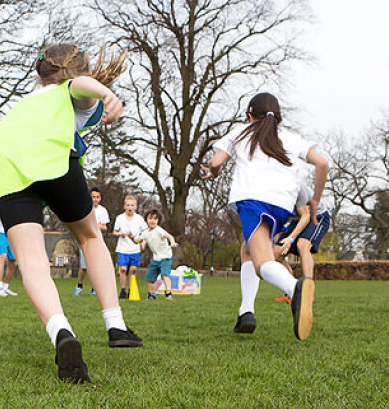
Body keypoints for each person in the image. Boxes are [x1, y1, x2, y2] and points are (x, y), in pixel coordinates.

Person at [0, 43, 143, 384]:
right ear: (78, 71)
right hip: (54, 163)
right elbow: (77, 87)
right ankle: (115, 324)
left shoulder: (24, 103)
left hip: (9, 171)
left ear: (40, 72)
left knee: (31, 261)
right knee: (89, 236)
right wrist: (106, 92)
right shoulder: (67, 92)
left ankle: (61, 333)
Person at [201, 92, 328, 341]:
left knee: (261, 263)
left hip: (253, 201)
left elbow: (216, 162)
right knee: (247, 249)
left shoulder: (242, 132)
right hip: (282, 205)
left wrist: (213, 172)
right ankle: (246, 312)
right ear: (277, 118)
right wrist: (315, 198)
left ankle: (296, 290)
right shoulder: (290, 137)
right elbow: (322, 164)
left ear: (250, 116)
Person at [273, 176, 331, 301]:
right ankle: (292, 291)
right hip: (297, 219)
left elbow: (306, 216)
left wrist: (290, 239)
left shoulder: (296, 188)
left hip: (317, 216)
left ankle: (307, 291)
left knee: (302, 244)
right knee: (276, 253)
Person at [132, 210, 178, 301]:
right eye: (150, 218)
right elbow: (138, 240)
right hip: (155, 258)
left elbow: (170, 236)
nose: (152, 221)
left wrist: (172, 242)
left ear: (158, 221)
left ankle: (168, 293)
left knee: (164, 275)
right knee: (149, 278)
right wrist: (133, 237)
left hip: (165, 257)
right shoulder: (146, 232)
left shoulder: (159, 230)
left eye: (155, 219)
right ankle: (152, 295)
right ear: (146, 220)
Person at [74, 187, 110, 297]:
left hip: (97, 240)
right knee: (84, 266)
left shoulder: (103, 211)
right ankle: (79, 286)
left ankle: (95, 288)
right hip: (84, 240)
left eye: (97, 197)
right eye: (93, 197)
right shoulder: (84, 208)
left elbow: (104, 227)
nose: (95, 199)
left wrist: (96, 225)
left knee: (96, 266)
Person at [113, 195, 148, 299]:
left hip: (134, 249)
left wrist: (143, 243)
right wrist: (120, 234)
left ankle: (131, 290)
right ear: (124, 206)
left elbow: (145, 232)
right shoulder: (119, 218)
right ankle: (122, 290)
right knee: (123, 269)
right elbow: (114, 232)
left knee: (132, 270)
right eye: (128, 205)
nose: (130, 207)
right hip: (122, 248)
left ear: (135, 207)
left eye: (132, 205)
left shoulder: (139, 219)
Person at [0, 200, 18, 297]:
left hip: (11, 232)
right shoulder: (2, 197)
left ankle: (6, 287)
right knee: (2, 256)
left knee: (13, 260)